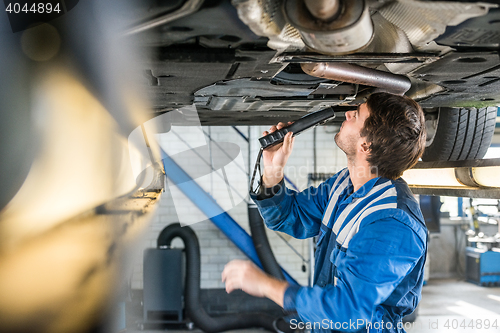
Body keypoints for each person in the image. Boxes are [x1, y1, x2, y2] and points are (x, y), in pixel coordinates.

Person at [221, 92, 428, 332]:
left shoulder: (391, 221)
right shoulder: (343, 186)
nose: (348, 113)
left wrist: (268, 286)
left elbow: (348, 311)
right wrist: (273, 171)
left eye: (357, 114)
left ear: (365, 145)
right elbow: (289, 217)